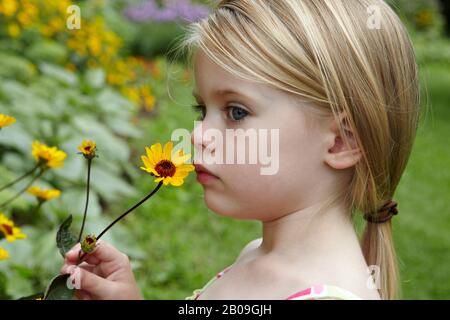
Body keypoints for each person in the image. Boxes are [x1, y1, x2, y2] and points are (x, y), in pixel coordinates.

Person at [61, 0, 420, 300]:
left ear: (342, 141)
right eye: (202, 111)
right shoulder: (256, 254)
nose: (198, 135)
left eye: (236, 112)